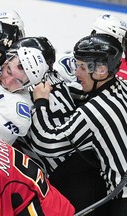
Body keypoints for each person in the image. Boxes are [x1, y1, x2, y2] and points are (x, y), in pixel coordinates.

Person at [31, 33, 127, 215]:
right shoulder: (122, 86)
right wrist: (59, 89)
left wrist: (40, 103)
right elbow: (83, 92)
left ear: (101, 70)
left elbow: (47, 143)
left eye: (82, 67)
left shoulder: (94, 112)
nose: (76, 73)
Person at [10, 36, 107, 215]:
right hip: (84, 165)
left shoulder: (31, 89)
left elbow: (45, 142)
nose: (11, 68)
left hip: (67, 175)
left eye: (18, 63)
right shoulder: (56, 78)